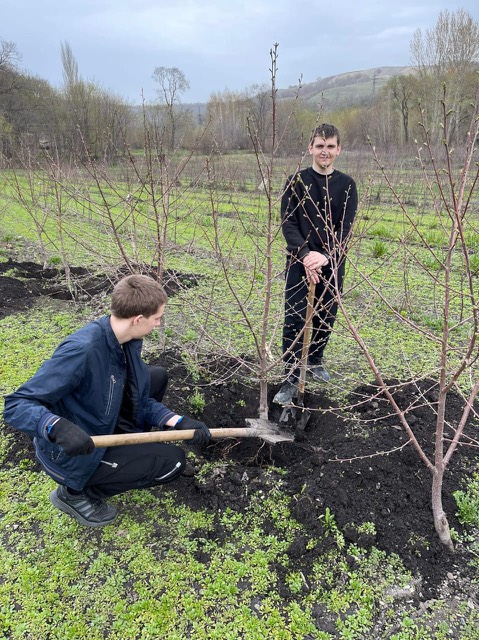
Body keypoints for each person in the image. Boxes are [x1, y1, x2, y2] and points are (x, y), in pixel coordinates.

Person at [3, 274, 211, 527]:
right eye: (157, 318)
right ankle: (75, 494)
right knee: (173, 461)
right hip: (75, 451)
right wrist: (56, 427)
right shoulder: (83, 350)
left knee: (154, 376)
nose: (158, 324)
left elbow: (138, 399)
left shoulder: (125, 343)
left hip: (102, 423)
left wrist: (178, 422)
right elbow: (17, 404)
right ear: (138, 319)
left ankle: (125, 457)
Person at [274, 123, 358, 405]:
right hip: (300, 261)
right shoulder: (295, 182)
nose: (325, 151)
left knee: (325, 315)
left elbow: (345, 228)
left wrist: (325, 256)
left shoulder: (347, 185)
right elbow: (289, 222)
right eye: (320, 146)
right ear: (310, 148)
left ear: (338, 149)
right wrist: (306, 254)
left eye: (330, 146)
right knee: (295, 318)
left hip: (332, 263)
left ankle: (315, 360)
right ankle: (290, 376)